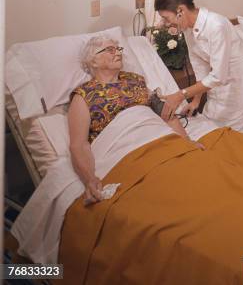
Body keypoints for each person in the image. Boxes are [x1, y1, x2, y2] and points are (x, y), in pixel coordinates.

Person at [68, 36, 191, 205]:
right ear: (93, 61)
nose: (118, 52)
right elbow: (79, 145)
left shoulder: (136, 81)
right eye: (110, 50)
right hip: (128, 153)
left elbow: (165, 113)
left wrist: (187, 142)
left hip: (161, 142)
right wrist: (89, 179)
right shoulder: (84, 95)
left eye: (118, 49)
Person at [154, 0, 243, 137]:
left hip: (242, 84)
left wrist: (180, 95)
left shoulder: (216, 26)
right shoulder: (188, 29)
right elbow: (201, 68)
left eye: (166, 18)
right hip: (219, 85)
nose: (165, 23)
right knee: (218, 135)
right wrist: (196, 100)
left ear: (180, 11)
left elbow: (217, 76)